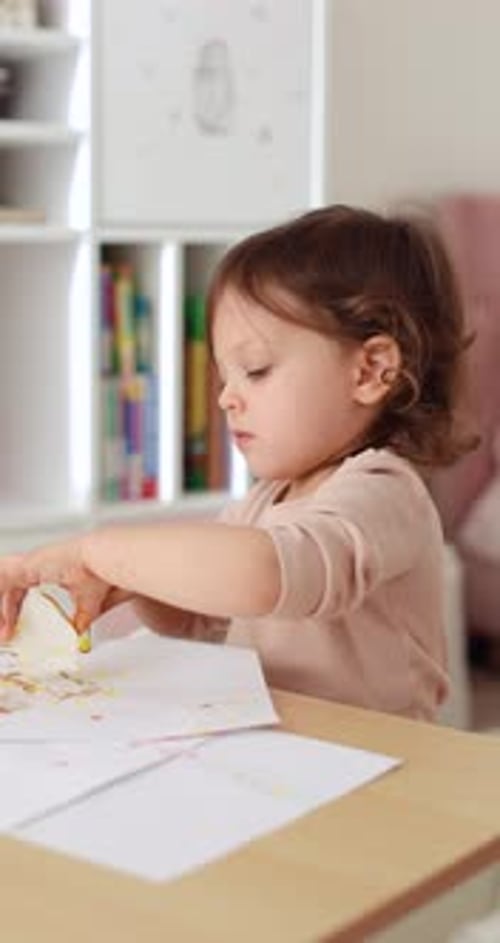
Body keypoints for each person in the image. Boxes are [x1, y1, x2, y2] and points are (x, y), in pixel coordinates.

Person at [0, 205, 477, 720]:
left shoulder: (384, 491)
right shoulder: (268, 500)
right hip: (288, 751)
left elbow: (266, 575)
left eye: (256, 370)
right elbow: (203, 619)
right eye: (225, 376)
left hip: (385, 767)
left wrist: (100, 550)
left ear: (370, 370)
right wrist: (133, 582)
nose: (226, 398)